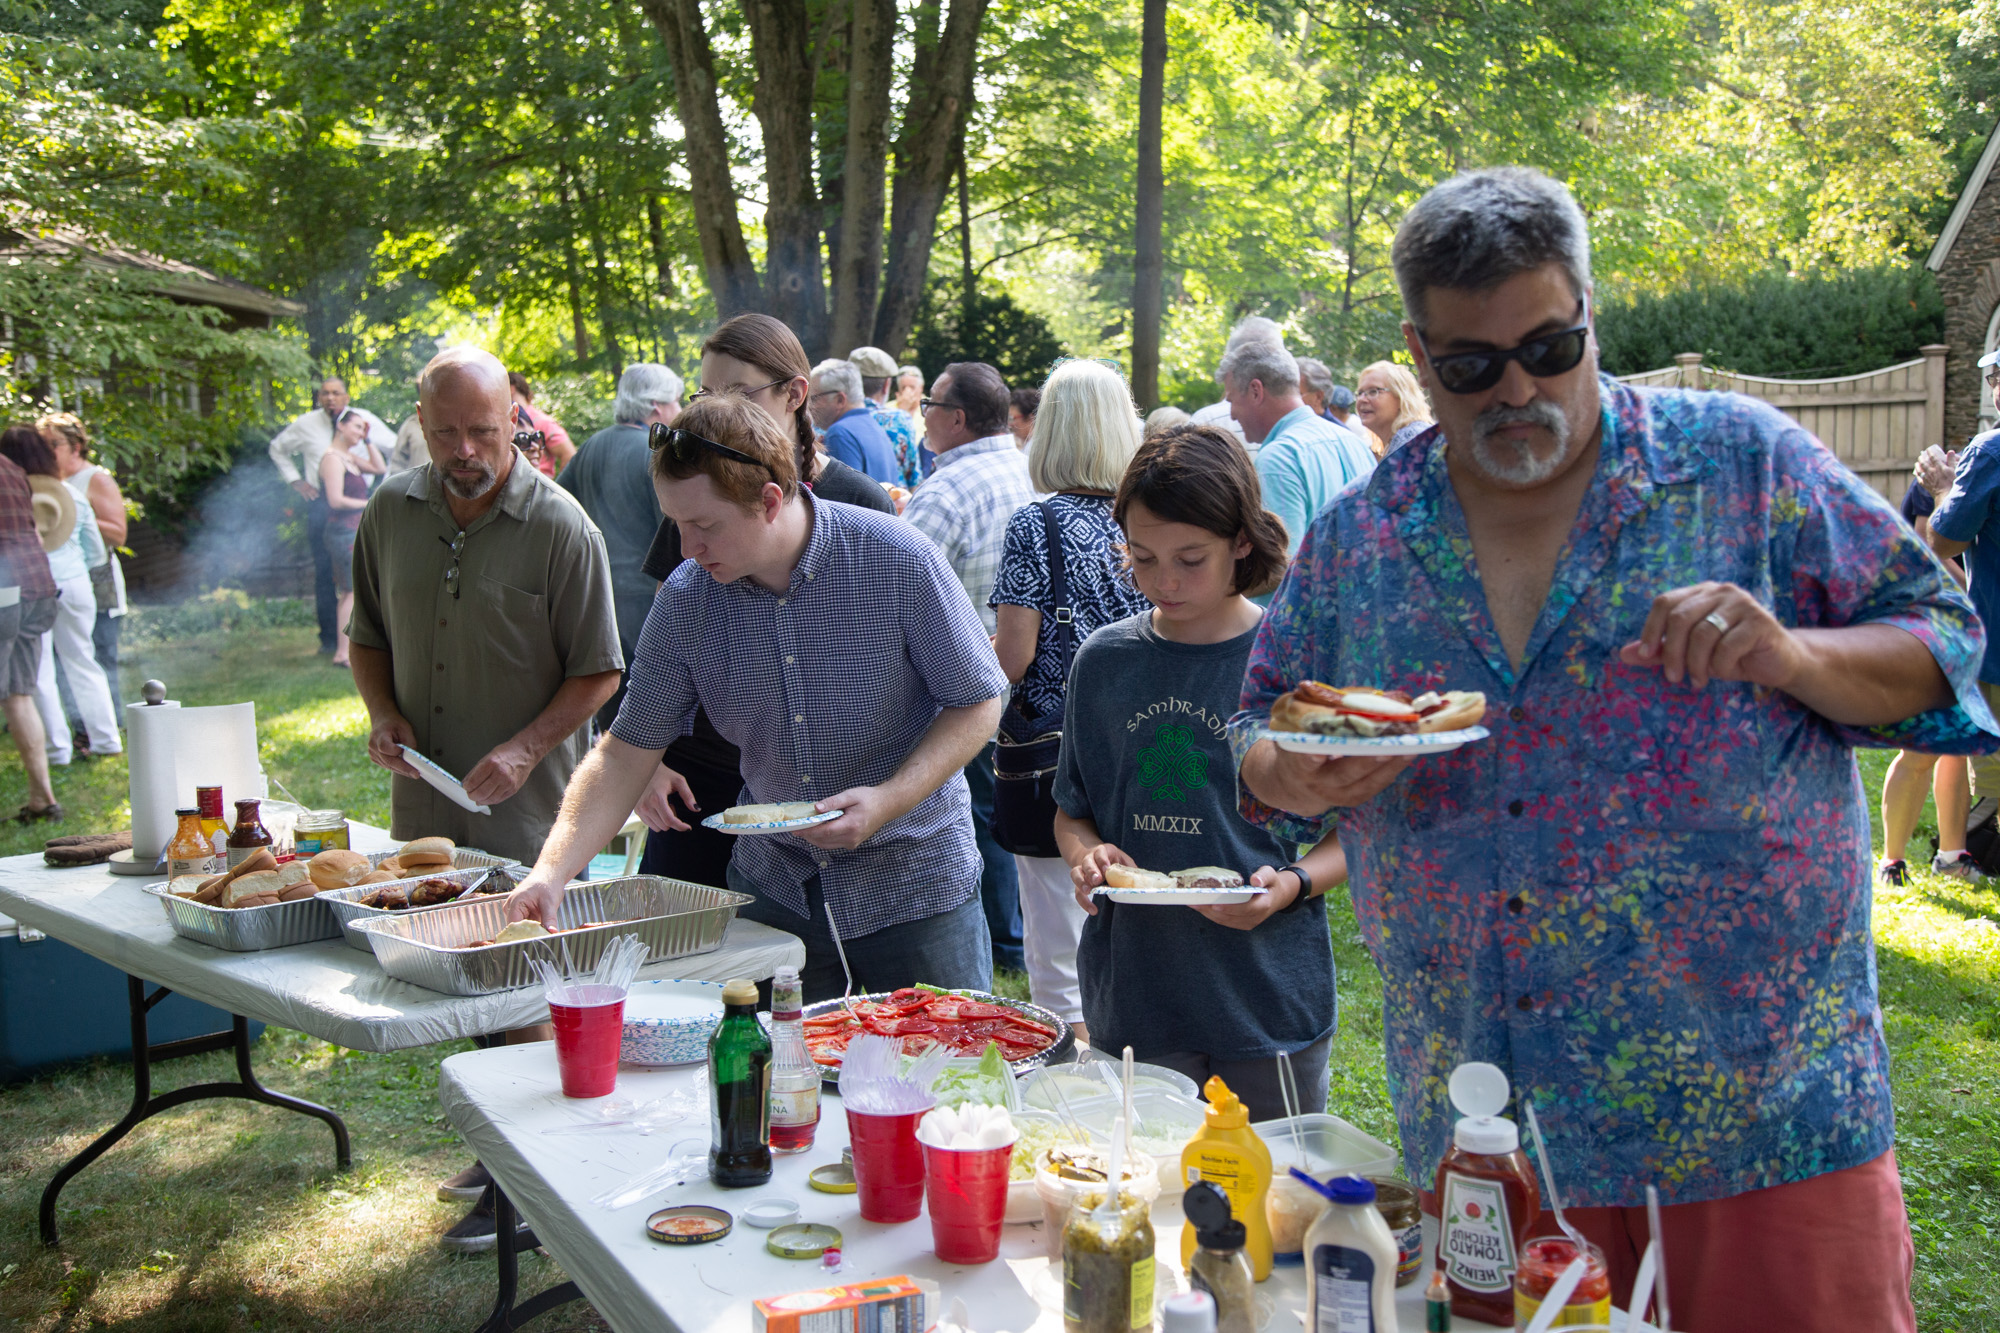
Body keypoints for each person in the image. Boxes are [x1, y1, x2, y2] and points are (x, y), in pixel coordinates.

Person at [1230, 166, 1991, 1333]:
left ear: (1589, 311)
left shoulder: (1740, 464)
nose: (1516, 388)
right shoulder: (1363, 538)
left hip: (1755, 1115)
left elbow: (1943, 643)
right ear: (1416, 352)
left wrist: (1790, 655)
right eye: (1470, 366)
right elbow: (1256, 716)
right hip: (1492, 1134)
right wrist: (1279, 768)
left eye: (1549, 345)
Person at [506, 393, 1010, 1003]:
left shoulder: (897, 559)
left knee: (948, 1079)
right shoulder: (688, 599)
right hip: (778, 893)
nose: (686, 547)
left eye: (705, 526)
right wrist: (551, 873)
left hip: (916, 886)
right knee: (781, 1091)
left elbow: (980, 700)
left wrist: (887, 800)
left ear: (771, 500)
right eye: (676, 523)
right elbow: (624, 755)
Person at [1055, 424, 1343, 1120]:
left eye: (1191, 558)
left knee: (1270, 1209)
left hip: (1267, 995)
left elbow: (1359, 832)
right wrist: (1085, 854)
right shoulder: (1105, 660)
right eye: (1143, 557)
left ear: (1241, 540)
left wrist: (1293, 885)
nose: (1164, 581)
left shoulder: (1288, 663)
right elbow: (1072, 808)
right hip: (1139, 997)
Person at [630, 316, 896, 893]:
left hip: (813, 784)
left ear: (795, 394)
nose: (713, 410)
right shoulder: (696, 493)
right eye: (704, 394)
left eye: (736, 393)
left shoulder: (860, 505)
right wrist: (648, 760)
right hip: (698, 771)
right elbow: (664, 631)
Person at [990, 360, 1153, 1036]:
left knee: (1057, 940)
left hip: (1054, 757)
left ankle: (1067, 1078)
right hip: (1143, 744)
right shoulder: (1148, 520)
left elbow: (1015, 654)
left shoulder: (1037, 525)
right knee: (1137, 914)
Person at [906, 360, 1039, 971]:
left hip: (966, 685)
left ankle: (1000, 940)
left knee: (980, 814)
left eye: (931, 405)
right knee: (1008, 810)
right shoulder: (1027, 468)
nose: (924, 416)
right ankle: (1016, 938)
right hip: (1025, 676)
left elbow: (890, 593)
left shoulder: (946, 491)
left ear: (956, 419)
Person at [560, 362, 682, 730]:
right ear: (657, 408)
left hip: (597, 597)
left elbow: (560, 508)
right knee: (653, 711)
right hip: (646, 600)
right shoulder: (655, 455)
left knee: (612, 710)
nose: (680, 411)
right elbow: (676, 532)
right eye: (677, 401)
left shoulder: (591, 445)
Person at [0, 426, 120, 765]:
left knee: (39, 673)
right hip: (77, 584)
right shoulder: (71, 493)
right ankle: (107, 740)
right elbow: (96, 550)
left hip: (31, 586)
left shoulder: (12, 488)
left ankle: (57, 750)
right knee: (83, 660)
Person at [1879, 473, 1978, 882]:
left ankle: (1952, 857)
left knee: (1959, 743)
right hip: (1931, 629)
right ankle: (1892, 861)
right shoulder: (1936, 478)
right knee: (1920, 748)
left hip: (1971, 631)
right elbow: (1929, 553)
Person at [1922, 346, 2000, 840]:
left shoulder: (1990, 451)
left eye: (1996, 376)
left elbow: (1944, 539)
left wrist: (1942, 491)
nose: (1994, 387)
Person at [1218, 331, 1376, 559]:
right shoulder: (1353, 443)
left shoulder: (1278, 459)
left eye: (1231, 400)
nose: (1231, 414)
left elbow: (1280, 565)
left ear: (1255, 391)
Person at [268, 377, 393, 655]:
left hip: (355, 508)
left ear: (346, 397)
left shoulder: (362, 420)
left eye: (336, 393)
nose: (330, 398)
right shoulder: (307, 425)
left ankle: (362, 640)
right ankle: (330, 642)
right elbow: (277, 448)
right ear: (319, 398)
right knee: (326, 575)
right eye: (325, 393)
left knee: (360, 580)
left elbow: (387, 454)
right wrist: (295, 481)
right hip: (325, 505)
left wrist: (368, 438)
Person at [41, 413, 128, 728]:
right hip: (63, 580)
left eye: (54, 443)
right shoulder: (47, 483)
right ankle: (81, 729)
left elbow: (118, 534)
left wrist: (74, 514)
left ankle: (111, 726)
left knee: (99, 657)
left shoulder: (95, 479)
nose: (47, 451)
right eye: (43, 444)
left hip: (98, 581)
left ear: (76, 445)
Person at [0, 450, 60, 821]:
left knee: (18, 695)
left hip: (5, 592)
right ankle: (43, 800)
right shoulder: (11, 466)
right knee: (19, 695)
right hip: (36, 586)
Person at [318, 411, 385, 668]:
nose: (359, 432)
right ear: (341, 426)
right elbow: (336, 500)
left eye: (362, 429)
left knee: (355, 590)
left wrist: (368, 441)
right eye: (356, 427)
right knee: (349, 591)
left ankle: (347, 650)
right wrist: (369, 503)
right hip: (341, 532)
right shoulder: (332, 459)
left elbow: (379, 468)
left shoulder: (349, 457)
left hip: (354, 530)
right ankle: (342, 654)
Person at [808, 358, 898, 484]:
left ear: (840, 399)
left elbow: (842, 496)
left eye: (813, 398)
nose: (809, 406)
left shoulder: (840, 433)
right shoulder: (874, 427)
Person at [849, 345, 922, 489]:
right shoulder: (900, 418)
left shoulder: (832, 418)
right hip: (892, 503)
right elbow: (914, 478)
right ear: (886, 385)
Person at [1353, 359, 1431, 456]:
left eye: (1373, 391)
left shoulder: (1413, 440)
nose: (1362, 399)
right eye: (1360, 393)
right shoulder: (1396, 443)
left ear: (1401, 397)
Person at [507, 371, 576, 476]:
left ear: (511, 388)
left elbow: (569, 454)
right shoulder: (503, 417)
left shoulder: (541, 421)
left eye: (537, 437)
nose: (534, 446)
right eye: (523, 439)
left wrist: (556, 487)